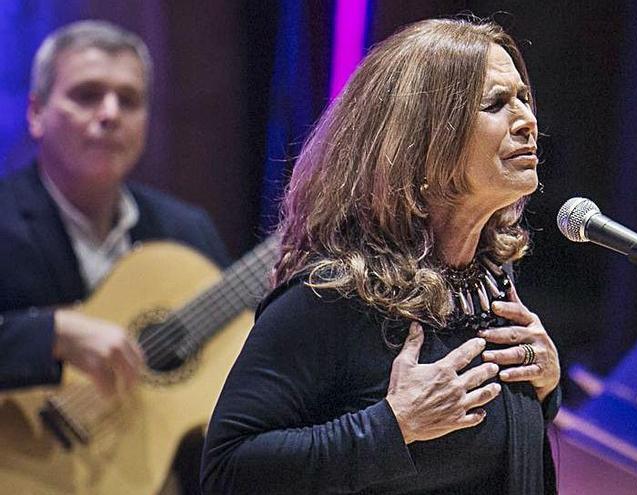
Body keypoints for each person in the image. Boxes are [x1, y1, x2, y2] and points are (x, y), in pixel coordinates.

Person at [201, 18, 561, 494]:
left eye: (523, 99)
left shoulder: (490, 278)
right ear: (427, 139)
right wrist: (392, 427)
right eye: (496, 104)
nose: (527, 120)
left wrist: (547, 386)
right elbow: (227, 471)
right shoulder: (332, 295)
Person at [0, 19, 228, 494]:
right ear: (37, 112)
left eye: (129, 100)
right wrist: (52, 333)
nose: (110, 113)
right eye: (87, 95)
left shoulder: (188, 230)